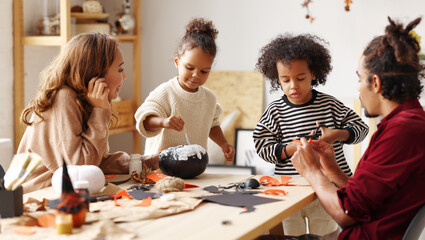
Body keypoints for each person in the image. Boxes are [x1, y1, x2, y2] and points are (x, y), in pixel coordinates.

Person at [291, 17, 425, 240]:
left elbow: (346, 212)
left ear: (375, 83)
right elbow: (363, 201)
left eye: (359, 79)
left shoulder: (403, 132)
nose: (357, 89)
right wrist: (331, 170)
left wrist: (312, 172)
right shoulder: (406, 123)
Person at [253, 34, 369, 236]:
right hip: (290, 190)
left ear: (313, 74)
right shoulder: (275, 111)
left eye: (300, 78)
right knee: (292, 235)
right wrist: (291, 149)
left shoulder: (329, 105)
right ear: (276, 79)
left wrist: (336, 135)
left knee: (326, 235)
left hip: (326, 191)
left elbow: (361, 128)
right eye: (285, 80)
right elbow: (262, 145)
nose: (293, 86)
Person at [18, 33, 153, 193]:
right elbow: (80, 168)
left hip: (58, 191)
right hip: (34, 197)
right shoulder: (64, 97)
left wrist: (150, 161)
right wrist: (100, 111)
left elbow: (96, 160)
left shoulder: (82, 100)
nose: (124, 76)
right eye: (120, 69)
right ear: (96, 73)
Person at [135, 18, 234, 167]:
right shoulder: (166, 92)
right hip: (160, 170)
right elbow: (145, 120)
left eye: (204, 71)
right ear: (177, 61)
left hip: (193, 169)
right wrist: (164, 122)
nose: (196, 75)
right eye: (189, 68)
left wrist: (224, 144)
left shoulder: (209, 99)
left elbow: (212, 125)